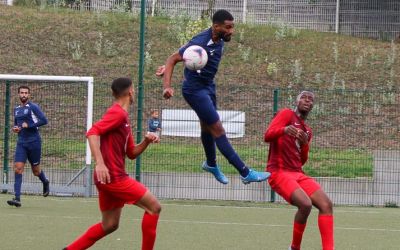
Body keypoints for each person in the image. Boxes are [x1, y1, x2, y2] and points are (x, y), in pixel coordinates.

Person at [156, 9, 269, 185]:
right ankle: (245, 173)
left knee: (207, 127)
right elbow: (173, 59)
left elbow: (183, 56)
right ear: (216, 27)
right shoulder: (200, 42)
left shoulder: (218, 37)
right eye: (228, 27)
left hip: (208, 86)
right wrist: (167, 86)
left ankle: (211, 163)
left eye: (233, 27)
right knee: (218, 129)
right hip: (194, 90)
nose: (231, 31)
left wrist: (173, 65)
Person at [63, 78, 161, 250]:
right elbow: (92, 132)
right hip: (113, 177)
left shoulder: (123, 117)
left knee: (110, 224)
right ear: (131, 91)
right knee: (154, 207)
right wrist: (99, 163)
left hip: (108, 178)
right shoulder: (118, 113)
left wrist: (146, 141)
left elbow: (131, 153)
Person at [264, 91, 334, 250]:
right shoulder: (286, 114)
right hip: (279, 172)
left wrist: (305, 144)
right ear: (297, 101)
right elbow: (267, 136)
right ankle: (294, 248)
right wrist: (284, 130)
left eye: (311, 100)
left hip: (297, 173)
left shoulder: (307, 131)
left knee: (326, 205)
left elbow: (301, 160)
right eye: (304, 97)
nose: (307, 101)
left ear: (312, 106)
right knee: (305, 204)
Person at [7, 86, 49, 208]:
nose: (24, 95)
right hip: (21, 143)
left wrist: (29, 125)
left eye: (26, 93)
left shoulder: (33, 107)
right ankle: (17, 198)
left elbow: (44, 121)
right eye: (22, 93)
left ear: (29, 95)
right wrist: (16, 128)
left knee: (36, 171)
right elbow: (17, 125)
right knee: (18, 168)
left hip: (34, 142)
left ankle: (45, 181)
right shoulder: (16, 109)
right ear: (18, 95)